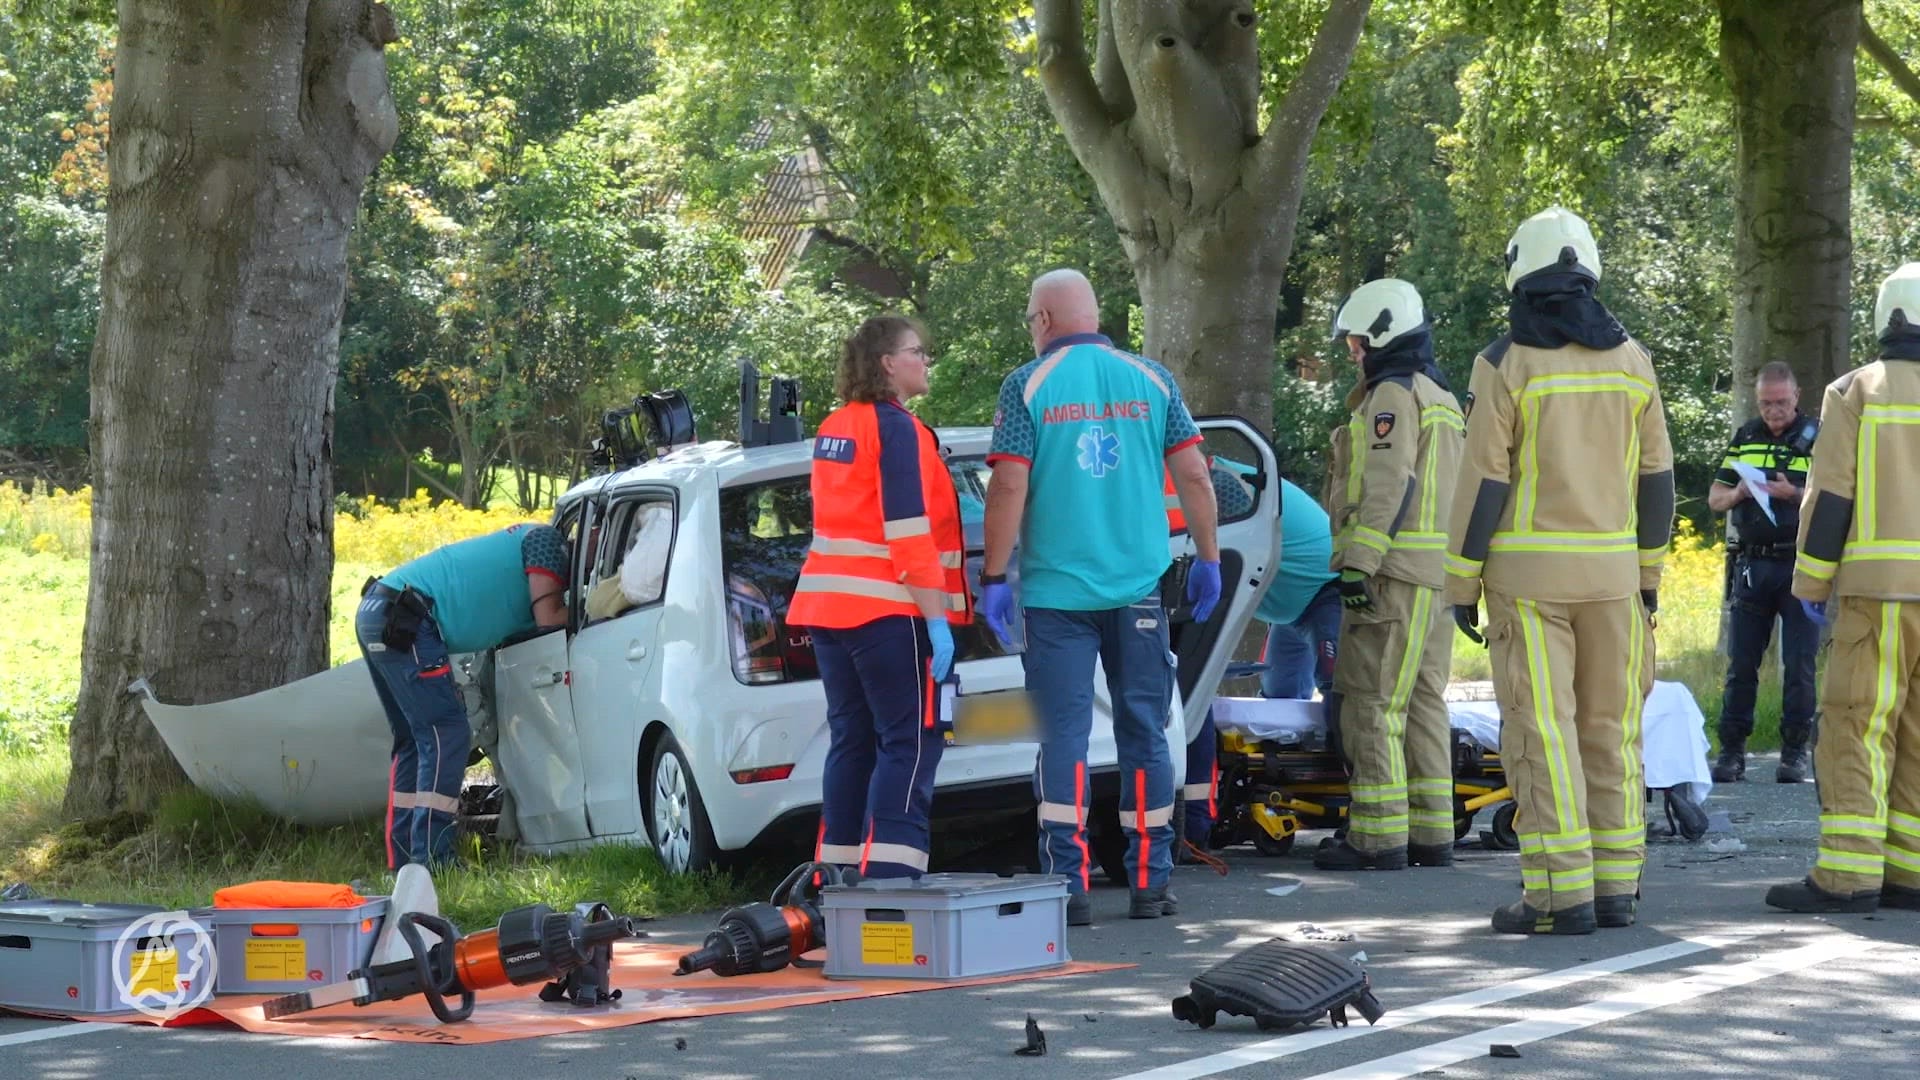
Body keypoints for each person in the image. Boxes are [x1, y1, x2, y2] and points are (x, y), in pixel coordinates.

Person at [1444, 206, 1674, 935]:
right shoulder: (1632, 358)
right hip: (1613, 581)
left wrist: (1460, 582)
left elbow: (1484, 481)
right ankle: (1615, 889)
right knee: (1611, 732)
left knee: (1544, 733)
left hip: (1530, 582)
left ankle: (1556, 896)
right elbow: (1659, 481)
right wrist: (1649, 577)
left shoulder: (1505, 360)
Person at [979, 268, 1221, 926]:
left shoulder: (1026, 387)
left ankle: (1069, 885)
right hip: (1138, 590)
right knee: (1145, 734)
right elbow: (1195, 473)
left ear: (1047, 322)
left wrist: (995, 577)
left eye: (1031, 318)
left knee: (1063, 738)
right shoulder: (1153, 380)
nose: (1030, 329)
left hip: (1057, 596)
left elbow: (1007, 489)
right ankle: (1151, 881)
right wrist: (1207, 556)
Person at [786, 315, 972, 880]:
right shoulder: (898, 430)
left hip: (828, 613)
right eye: (917, 351)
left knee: (853, 741)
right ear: (888, 363)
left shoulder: (835, 426)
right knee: (912, 741)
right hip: (890, 612)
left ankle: (833, 882)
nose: (925, 361)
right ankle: (893, 884)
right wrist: (938, 619)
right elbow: (908, 530)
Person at [1764, 262, 1920, 915]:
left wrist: (1811, 580)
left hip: (1877, 591)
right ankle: (1909, 872)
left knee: (1858, 723)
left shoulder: (1858, 390)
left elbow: (1830, 499)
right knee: (1916, 731)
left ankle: (1848, 875)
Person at [1316, 278, 1465, 872]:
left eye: (1356, 341)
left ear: (1379, 334)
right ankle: (1432, 833)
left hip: (1392, 575)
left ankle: (1376, 839)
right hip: (1438, 576)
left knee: (1372, 702)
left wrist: (1359, 561)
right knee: (1425, 702)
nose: (1352, 351)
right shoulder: (1444, 399)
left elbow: (1388, 483)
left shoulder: (1391, 396)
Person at [358, 522, 571, 868]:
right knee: (446, 734)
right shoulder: (547, 542)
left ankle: (406, 861)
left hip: (378, 608)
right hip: (408, 619)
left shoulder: (526, 543)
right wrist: (599, 606)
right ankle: (434, 859)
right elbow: (550, 618)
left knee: (414, 740)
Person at [1707, 362, 1820, 784]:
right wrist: (1739, 491)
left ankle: (1793, 753)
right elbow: (1715, 498)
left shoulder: (1819, 437)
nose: (1773, 411)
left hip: (1800, 566)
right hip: (1752, 565)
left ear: (1797, 397)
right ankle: (1732, 752)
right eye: (1766, 403)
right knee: (1741, 665)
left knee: (1800, 664)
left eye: (1781, 403)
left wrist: (1794, 493)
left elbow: (1839, 495)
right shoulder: (1746, 436)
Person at [1258, 477, 1344, 701]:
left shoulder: (1219, 486)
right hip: (1293, 606)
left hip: (1325, 591)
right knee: (1279, 696)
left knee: (1338, 688)